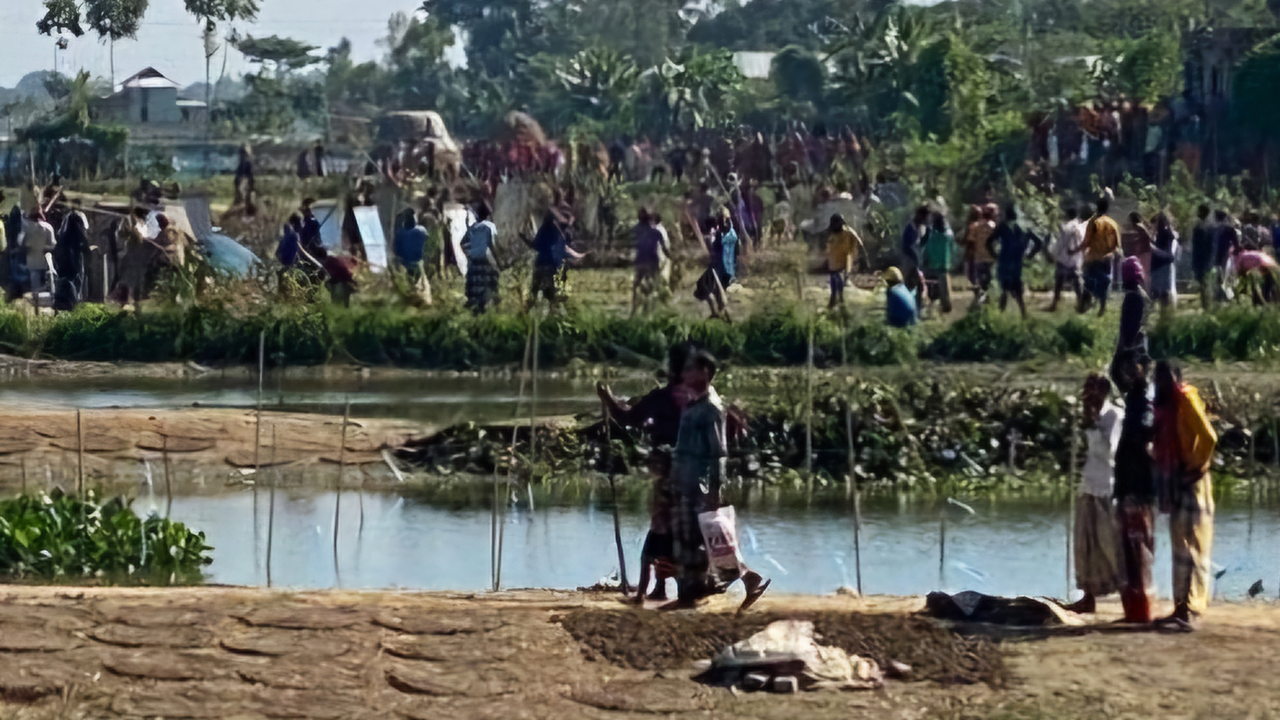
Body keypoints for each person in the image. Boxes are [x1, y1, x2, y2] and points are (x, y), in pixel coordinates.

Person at [668, 351, 769, 610]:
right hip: (686, 482)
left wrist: (714, 488)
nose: (684, 375)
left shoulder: (710, 408)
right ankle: (740, 580)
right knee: (702, 539)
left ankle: (693, 593)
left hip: (698, 485)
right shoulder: (695, 405)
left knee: (699, 540)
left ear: (704, 373)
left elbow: (717, 452)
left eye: (690, 370)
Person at [599, 344, 695, 603]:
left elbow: (627, 417)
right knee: (681, 532)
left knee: (660, 528)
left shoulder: (663, 398)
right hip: (694, 476)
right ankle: (670, 587)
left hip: (669, 473)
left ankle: (649, 590)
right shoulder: (698, 399)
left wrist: (607, 398)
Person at [1153, 360, 1217, 629]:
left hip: (1193, 480)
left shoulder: (1185, 398)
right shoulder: (1165, 406)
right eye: (1159, 377)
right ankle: (1180, 605)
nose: (1163, 382)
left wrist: (1198, 466)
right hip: (1177, 480)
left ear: (1177, 378)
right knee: (1179, 546)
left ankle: (1192, 607)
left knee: (1193, 545)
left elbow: (1209, 436)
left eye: (1167, 377)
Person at [1068, 373, 1124, 614]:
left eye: (1092, 391)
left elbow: (1109, 451)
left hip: (1106, 488)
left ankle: (1126, 596)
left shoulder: (1114, 416)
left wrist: (1092, 426)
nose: (1088, 397)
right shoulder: (1088, 416)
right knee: (1084, 544)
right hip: (1088, 486)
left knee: (1109, 544)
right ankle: (1088, 597)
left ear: (1103, 392)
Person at [1113, 351, 1156, 624]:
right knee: (1131, 549)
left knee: (1137, 546)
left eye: (1132, 367)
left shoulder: (1145, 403)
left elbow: (1142, 442)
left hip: (1137, 485)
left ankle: (1140, 610)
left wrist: (1134, 487)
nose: (1127, 373)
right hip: (1131, 482)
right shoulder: (1135, 399)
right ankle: (1134, 609)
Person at [988, 204, 1043, 320]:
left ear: (1006, 215)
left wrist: (995, 255)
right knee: (1016, 290)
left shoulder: (1003, 227)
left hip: (1004, 261)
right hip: (1016, 262)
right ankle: (1023, 315)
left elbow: (988, 242)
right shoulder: (1023, 228)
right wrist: (1030, 255)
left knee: (1004, 289)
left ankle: (999, 315)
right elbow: (1039, 242)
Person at [526, 205, 581, 308]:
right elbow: (562, 250)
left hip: (541, 265)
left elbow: (536, 245)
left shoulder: (544, 230)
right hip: (551, 267)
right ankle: (553, 315)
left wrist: (526, 240)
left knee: (534, 292)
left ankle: (525, 314)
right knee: (550, 295)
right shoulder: (559, 234)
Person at [1081, 195, 1121, 316]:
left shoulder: (1092, 223)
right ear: (1107, 208)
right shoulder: (1113, 224)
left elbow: (1086, 242)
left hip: (1093, 258)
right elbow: (1117, 246)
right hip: (1106, 260)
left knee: (1088, 283)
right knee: (1103, 284)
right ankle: (1102, 308)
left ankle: (1085, 306)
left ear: (1097, 208)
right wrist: (1110, 254)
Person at [694, 210, 734, 320]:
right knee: (713, 289)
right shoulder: (725, 233)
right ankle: (720, 313)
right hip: (721, 265)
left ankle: (719, 313)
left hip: (717, 265)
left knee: (709, 288)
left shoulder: (716, 234)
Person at [463, 203, 500, 314]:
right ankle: (493, 302)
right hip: (485, 259)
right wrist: (497, 262)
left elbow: (463, 243)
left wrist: (469, 254)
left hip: (473, 261)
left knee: (473, 286)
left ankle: (473, 306)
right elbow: (492, 245)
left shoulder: (472, 228)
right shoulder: (489, 227)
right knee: (490, 281)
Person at [632, 208, 670, 316]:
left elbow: (629, 241)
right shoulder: (656, 232)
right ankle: (649, 310)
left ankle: (636, 308)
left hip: (641, 261)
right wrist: (672, 257)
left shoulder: (637, 230)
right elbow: (665, 249)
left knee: (637, 285)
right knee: (652, 286)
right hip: (652, 262)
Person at [1049, 206, 1086, 312]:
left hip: (1064, 259)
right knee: (1077, 284)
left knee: (1059, 283)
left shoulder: (1066, 227)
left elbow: (1060, 244)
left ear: (1068, 215)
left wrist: (1054, 254)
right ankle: (1081, 304)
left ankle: (1054, 304)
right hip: (1075, 260)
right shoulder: (1080, 227)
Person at [824, 214, 865, 309]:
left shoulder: (848, 233)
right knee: (833, 281)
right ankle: (833, 300)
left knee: (839, 279)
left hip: (843, 261)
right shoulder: (831, 235)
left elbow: (857, 241)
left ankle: (841, 300)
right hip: (832, 262)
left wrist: (851, 250)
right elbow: (827, 247)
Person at [1116, 257, 1150, 368]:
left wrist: (1123, 344)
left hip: (1132, 343)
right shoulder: (1140, 295)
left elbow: (1127, 323)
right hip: (1137, 341)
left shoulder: (1133, 297)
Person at [393, 209, 432, 304]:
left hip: (406, 263)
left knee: (409, 283)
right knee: (421, 283)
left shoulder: (401, 233)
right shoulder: (421, 230)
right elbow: (429, 245)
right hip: (419, 262)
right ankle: (421, 301)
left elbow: (396, 250)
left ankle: (411, 300)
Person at [921, 211, 954, 314]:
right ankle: (945, 306)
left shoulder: (930, 233)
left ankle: (931, 306)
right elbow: (952, 247)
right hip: (943, 265)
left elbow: (923, 245)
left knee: (931, 288)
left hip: (931, 264)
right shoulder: (947, 234)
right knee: (944, 288)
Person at [20, 209, 56, 300]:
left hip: (32, 258)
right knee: (49, 279)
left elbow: (21, 243)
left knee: (35, 279)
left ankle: (36, 300)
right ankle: (51, 299)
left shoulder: (26, 228)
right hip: (46, 258)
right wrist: (45, 248)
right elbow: (53, 244)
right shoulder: (48, 227)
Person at [1149, 212, 1179, 309]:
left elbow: (1168, 255)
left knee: (1165, 293)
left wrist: (1154, 249)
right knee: (1158, 293)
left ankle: (1166, 314)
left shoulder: (1166, 234)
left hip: (1163, 267)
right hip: (1158, 267)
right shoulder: (1158, 235)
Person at [900, 205, 929, 304]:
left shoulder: (922, 228)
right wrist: (914, 257)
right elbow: (905, 246)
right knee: (913, 284)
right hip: (909, 261)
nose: (924, 219)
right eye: (923, 217)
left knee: (918, 286)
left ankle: (915, 305)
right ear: (918, 215)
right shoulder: (909, 228)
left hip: (917, 261)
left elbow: (922, 243)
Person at [1190, 205, 1214, 308]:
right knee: (1206, 282)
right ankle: (1207, 305)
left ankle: (1205, 305)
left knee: (1202, 283)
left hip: (1200, 258)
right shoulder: (1210, 227)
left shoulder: (1198, 227)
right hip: (1208, 258)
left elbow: (1196, 245)